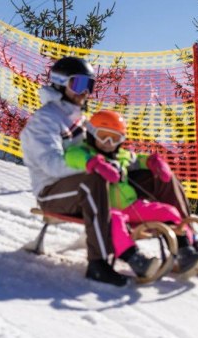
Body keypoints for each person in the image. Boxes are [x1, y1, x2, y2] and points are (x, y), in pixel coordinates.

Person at [64, 109, 198, 279]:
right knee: (115, 222)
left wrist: (153, 161)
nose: (108, 142)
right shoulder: (85, 152)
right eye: (103, 135)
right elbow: (71, 156)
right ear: (91, 133)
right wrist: (93, 163)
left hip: (131, 206)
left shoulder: (121, 156)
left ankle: (186, 250)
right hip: (103, 208)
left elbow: (138, 159)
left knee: (169, 212)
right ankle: (135, 259)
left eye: (115, 138)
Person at [20, 56, 127, 286]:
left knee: (138, 174)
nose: (84, 92)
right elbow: (51, 163)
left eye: (89, 86)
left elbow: (101, 150)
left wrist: (124, 163)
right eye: (77, 84)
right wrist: (90, 165)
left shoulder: (79, 118)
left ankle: (185, 243)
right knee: (93, 183)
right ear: (60, 83)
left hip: (77, 186)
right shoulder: (45, 120)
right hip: (51, 192)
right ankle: (98, 264)